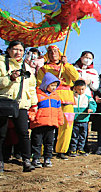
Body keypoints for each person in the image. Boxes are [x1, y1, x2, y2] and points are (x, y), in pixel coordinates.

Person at [0, 41, 38, 173]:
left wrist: (33, 103)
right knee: (1, 134)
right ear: (9, 50)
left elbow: (32, 86)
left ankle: (26, 160)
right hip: (3, 102)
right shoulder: (2, 63)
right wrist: (10, 77)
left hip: (21, 103)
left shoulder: (26, 66)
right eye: (15, 49)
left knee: (23, 133)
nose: (18, 52)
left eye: (21, 50)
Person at [37, 45, 79, 158]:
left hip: (67, 98)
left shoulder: (67, 66)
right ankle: (41, 151)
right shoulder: (44, 69)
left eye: (55, 51)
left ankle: (62, 150)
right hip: (50, 98)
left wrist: (66, 64)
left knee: (67, 125)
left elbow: (76, 77)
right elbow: (40, 84)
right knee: (46, 124)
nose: (53, 53)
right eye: (50, 51)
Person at [29, 72, 63, 167]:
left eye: (55, 86)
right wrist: (32, 117)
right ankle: (36, 158)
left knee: (49, 142)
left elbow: (59, 110)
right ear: (45, 84)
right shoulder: (37, 95)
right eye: (52, 85)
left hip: (51, 124)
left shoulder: (56, 96)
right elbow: (32, 107)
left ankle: (47, 158)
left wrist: (60, 120)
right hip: (39, 123)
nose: (53, 88)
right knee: (37, 142)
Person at [69, 79, 97, 156]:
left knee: (83, 136)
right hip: (75, 120)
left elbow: (93, 104)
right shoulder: (72, 97)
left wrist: (91, 109)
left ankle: (80, 149)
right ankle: (73, 149)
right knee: (74, 135)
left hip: (84, 120)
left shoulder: (88, 97)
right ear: (75, 88)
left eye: (82, 89)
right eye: (79, 89)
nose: (81, 91)